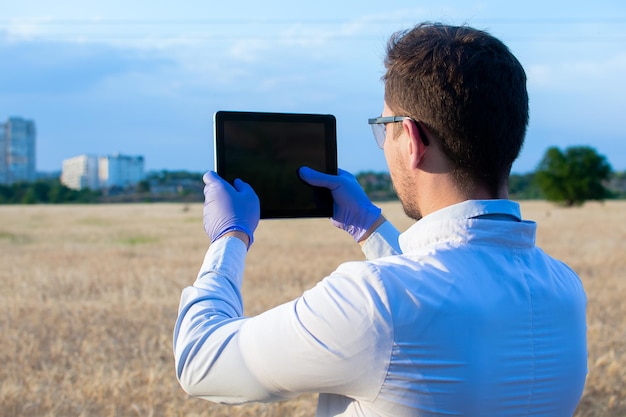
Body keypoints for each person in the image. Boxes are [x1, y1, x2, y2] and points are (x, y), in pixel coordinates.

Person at [173, 22, 587, 416]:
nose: (384, 146)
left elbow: (200, 360)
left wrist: (230, 237)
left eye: (383, 128)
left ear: (410, 138)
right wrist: (370, 227)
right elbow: (440, 296)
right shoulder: (564, 288)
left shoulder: (372, 300)